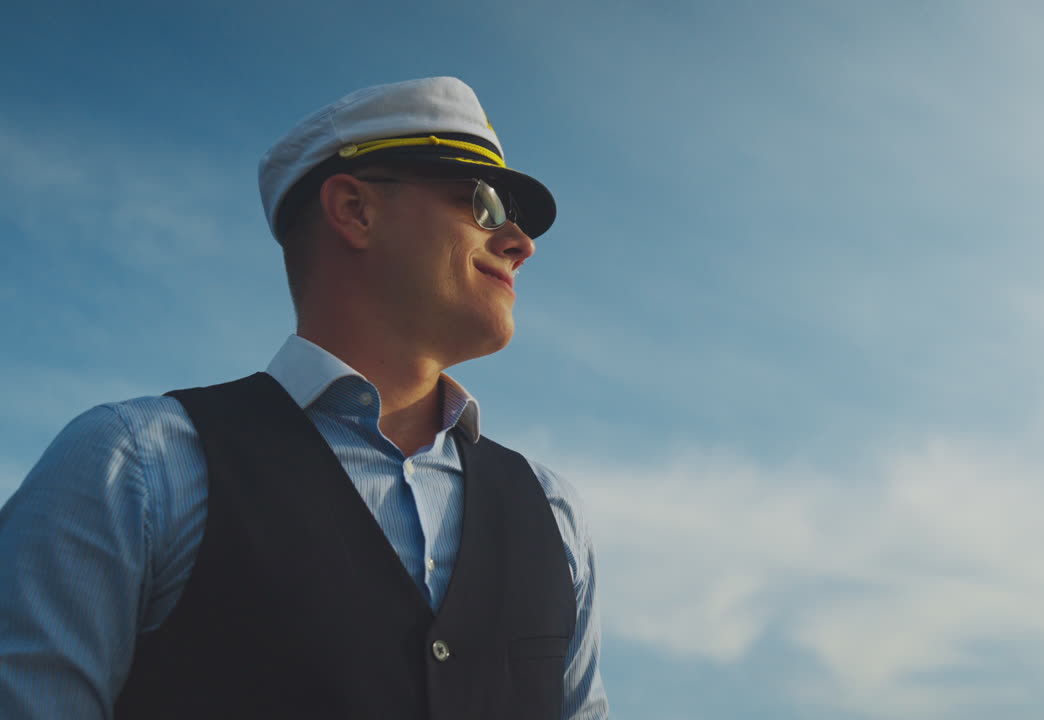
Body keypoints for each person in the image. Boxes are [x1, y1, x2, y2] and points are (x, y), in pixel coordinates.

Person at [0, 77, 607, 719]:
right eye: (482, 204)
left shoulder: (555, 514)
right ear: (354, 210)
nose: (520, 242)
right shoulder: (134, 467)